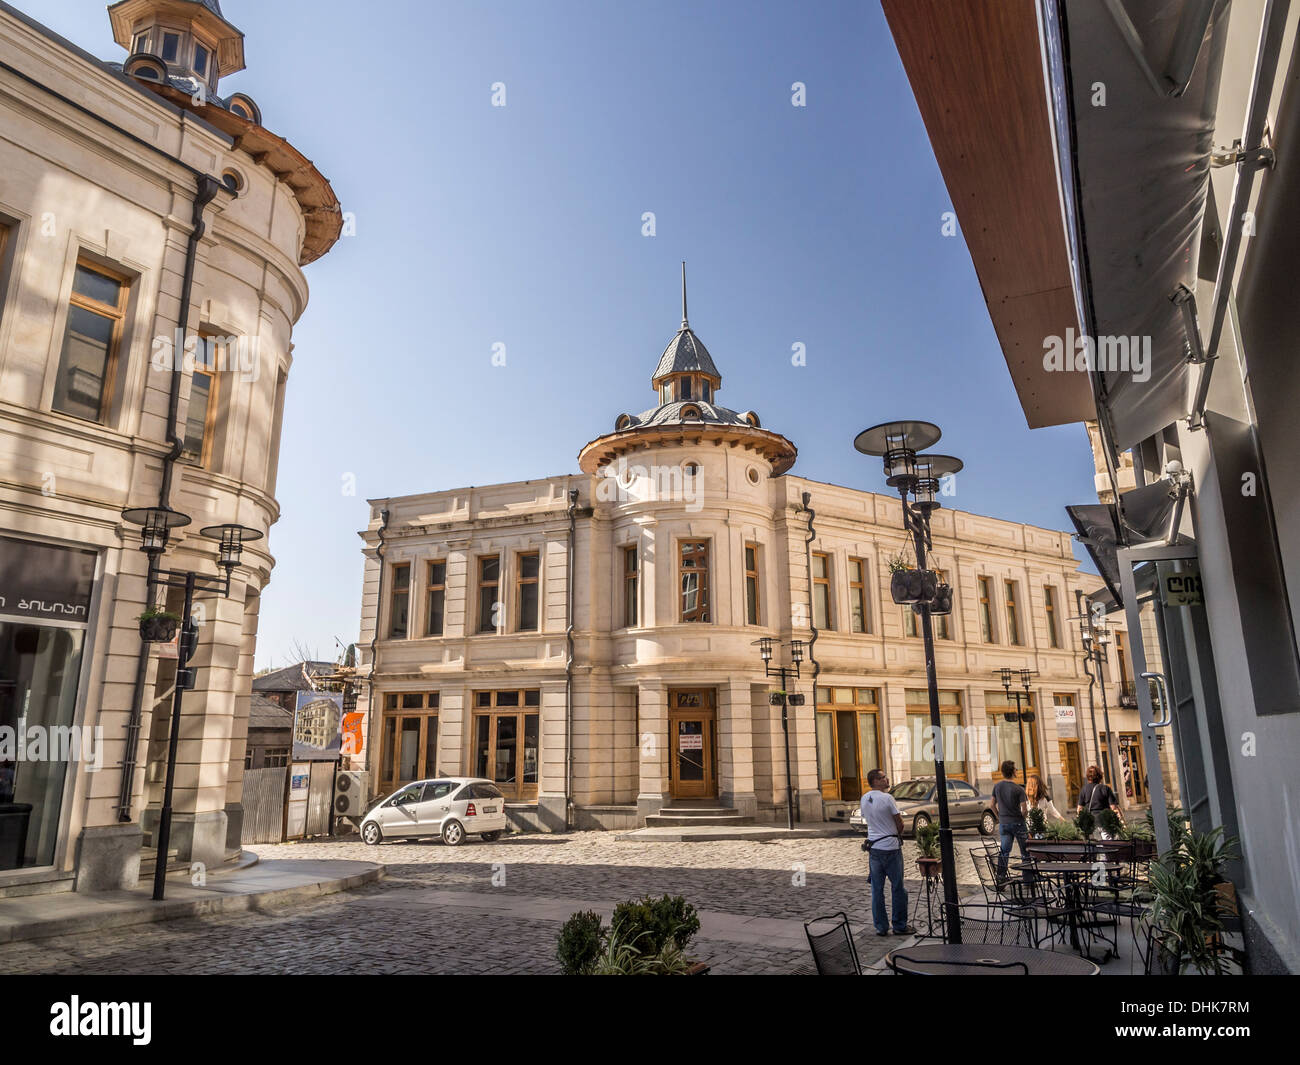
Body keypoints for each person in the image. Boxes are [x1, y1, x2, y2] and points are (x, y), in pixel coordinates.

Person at [860, 769, 915, 936]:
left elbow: (867, 819)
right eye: (883, 777)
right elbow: (899, 823)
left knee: (877, 890)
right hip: (890, 847)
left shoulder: (864, 798)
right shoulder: (887, 798)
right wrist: (897, 835)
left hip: (874, 849)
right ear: (876, 781)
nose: (887, 779)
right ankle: (899, 925)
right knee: (898, 887)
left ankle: (881, 926)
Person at [989, 759, 1029, 881]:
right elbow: (1025, 809)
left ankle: (1001, 877)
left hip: (1004, 823)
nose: (1017, 771)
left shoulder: (997, 786)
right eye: (1016, 769)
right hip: (1018, 822)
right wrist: (1023, 817)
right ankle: (1028, 879)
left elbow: (991, 805)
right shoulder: (1019, 789)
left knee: (1004, 852)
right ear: (1012, 771)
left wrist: (999, 817)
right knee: (1025, 852)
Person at [1078, 765, 1124, 838]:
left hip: (1091, 823)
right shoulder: (1105, 789)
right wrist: (1121, 821)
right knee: (1107, 845)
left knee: (1094, 845)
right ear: (1100, 776)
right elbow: (1114, 808)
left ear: (1088, 777)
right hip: (1104, 822)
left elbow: (1079, 809)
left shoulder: (1084, 790)